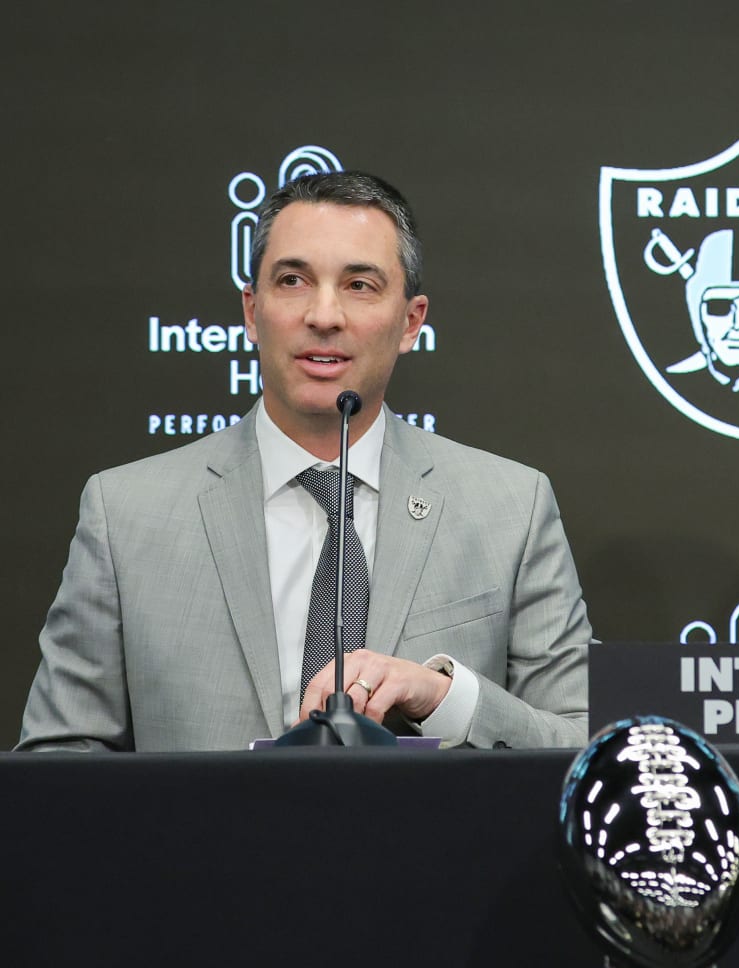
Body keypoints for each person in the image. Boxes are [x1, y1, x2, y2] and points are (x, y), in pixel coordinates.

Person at [17, 172, 593, 751]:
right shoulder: (125, 516)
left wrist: (446, 698)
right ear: (251, 309)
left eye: (360, 285)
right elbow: (57, 764)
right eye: (293, 280)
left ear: (411, 322)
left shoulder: (511, 509)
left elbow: (585, 744)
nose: (324, 314)